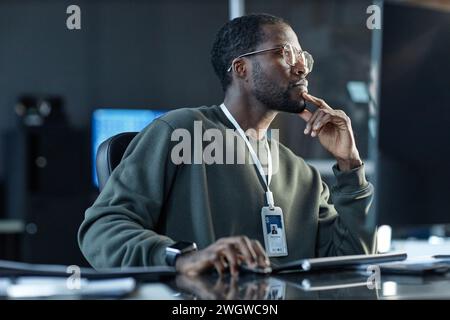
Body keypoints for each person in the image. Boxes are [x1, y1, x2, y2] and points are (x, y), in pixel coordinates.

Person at [78, 14, 375, 277]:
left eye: (303, 57)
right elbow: (101, 230)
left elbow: (350, 267)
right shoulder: (182, 131)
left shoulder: (302, 175)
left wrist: (350, 165)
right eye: (285, 53)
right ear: (241, 68)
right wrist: (183, 257)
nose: (302, 69)